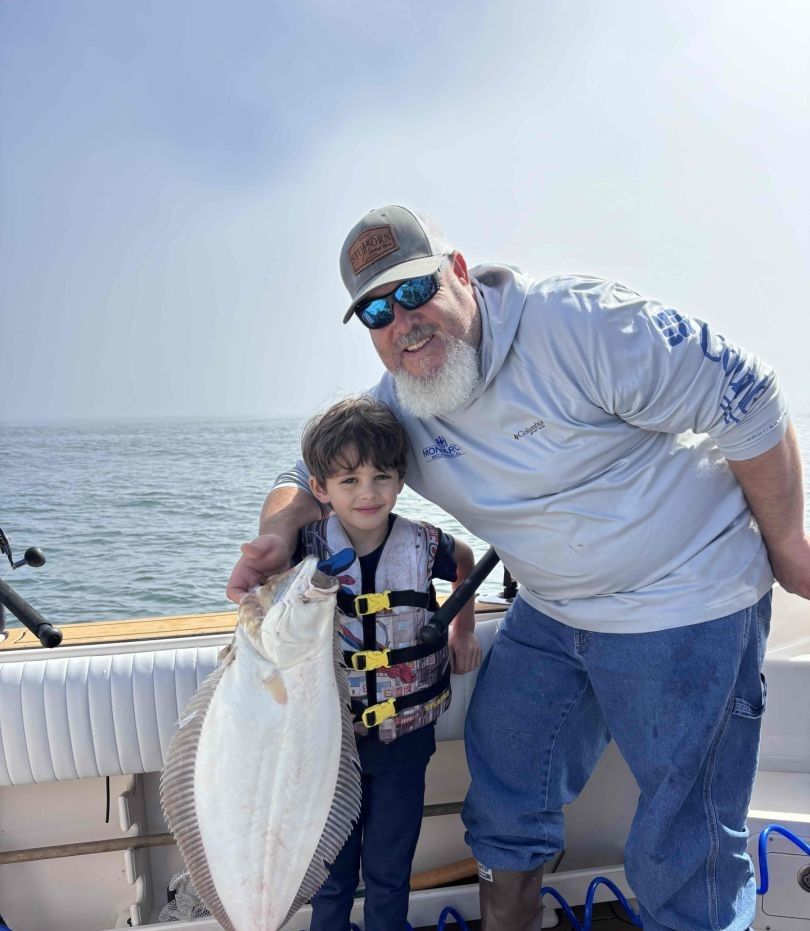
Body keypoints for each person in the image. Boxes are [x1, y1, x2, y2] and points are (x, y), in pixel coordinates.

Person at [227, 205, 810, 931]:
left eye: (414, 292)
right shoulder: (404, 401)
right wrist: (281, 527)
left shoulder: (577, 324)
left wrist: (790, 549)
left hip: (685, 596)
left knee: (682, 833)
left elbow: (748, 396)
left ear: (462, 273)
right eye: (377, 311)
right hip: (556, 607)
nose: (402, 323)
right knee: (504, 770)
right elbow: (305, 470)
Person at [293, 395, 481, 931]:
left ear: (401, 480)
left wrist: (461, 629)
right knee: (329, 877)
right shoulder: (302, 551)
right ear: (320, 489)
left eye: (381, 477)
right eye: (348, 481)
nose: (368, 493)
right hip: (328, 743)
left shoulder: (425, 544)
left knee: (388, 871)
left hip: (405, 742)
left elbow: (465, 561)